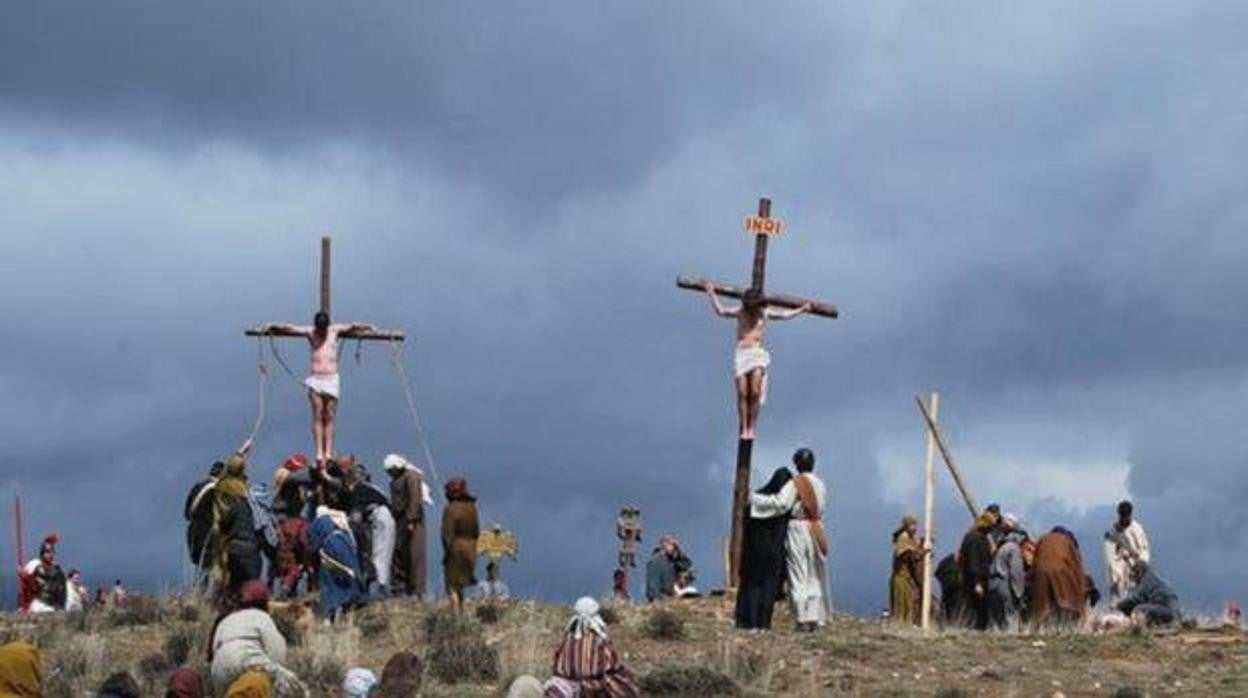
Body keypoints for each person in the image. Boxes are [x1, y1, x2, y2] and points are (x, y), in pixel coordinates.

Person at [257, 314, 377, 466]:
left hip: (332, 379)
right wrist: (272, 324)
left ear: (326, 326)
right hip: (316, 380)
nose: (321, 332)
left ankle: (328, 451)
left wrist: (368, 326)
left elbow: (353, 324)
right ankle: (320, 451)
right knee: (318, 414)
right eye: (319, 329)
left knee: (330, 415)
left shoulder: (334, 330)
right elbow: (290, 327)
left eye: (323, 329)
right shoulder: (310, 331)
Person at [703, 286, 811, 440]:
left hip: (757, 354)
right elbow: (721, 311)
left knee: (754, 391)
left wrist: (801, 310)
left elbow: (783, 315)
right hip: (742, 354)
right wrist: (711, 294)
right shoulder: (741, 312)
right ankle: (744, 427)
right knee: (742, 393)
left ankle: (752, 427)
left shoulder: (764, 313)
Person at [750, 447, 831, 631]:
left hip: (798, 527)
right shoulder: (821, 484)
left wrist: (755, 499)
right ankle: (815, 619)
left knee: (798, 573)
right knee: (814, 575)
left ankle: (802, 619)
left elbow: (781, 503)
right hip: (816, 528)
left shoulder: (796, 483)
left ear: (797, 464)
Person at [209, 580, 304, 695]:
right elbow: (276, 652)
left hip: (218, 673)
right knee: (293, 687)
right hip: (247, 662)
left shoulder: (226, 619)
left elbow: (212, 651)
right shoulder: (261, 617)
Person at [543, 597, 640, 698]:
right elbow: (612, 664)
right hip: (594, 685)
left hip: (568, 684)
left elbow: (557, 664)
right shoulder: (599, 640)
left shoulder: (567, 638)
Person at [736, 466, 792, 629]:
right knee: (769, 588)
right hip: (774, 553)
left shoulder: (757, 499)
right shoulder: (784, 507)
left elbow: (745, 524)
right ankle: (764, 624)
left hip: (754, 552)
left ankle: (751, 622)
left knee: (753, 587)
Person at [214, 454, 263, 598]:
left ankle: (222, 605)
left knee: (227, 579)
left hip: (226, 538)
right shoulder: (246, 493)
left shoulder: (220, 486)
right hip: (248, 543)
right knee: (248, 587)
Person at [383, 454, 431, 599]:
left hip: (412, 522)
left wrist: (411, 519)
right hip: (400, 521)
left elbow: (415, 499)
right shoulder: (397, 480)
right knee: (399, 555)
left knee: (414, 556)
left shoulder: (411, 477)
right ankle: (400, 590)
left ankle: (417, 592)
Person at [345, 463, 396, 596]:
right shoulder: (374, 488)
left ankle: (380, 587)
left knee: (380, 552)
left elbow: (355, 518)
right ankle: (378, 584)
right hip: (382, 517)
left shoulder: (359, 490)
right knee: (379, 552)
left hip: (379, 517)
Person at [310, 507, 367, 620]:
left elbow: (314, 545)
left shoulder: (318, 522)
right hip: (346, 547)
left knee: (328, 580)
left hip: (330, 548)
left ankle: (330, 614)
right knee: (350, 575)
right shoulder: (340, 519)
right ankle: (353, 604)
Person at [1030, 526, 1091, 630]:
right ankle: (1066, 627)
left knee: (1043, 603)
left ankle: (1040, 629)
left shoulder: (1043, 538)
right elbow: (1078, 569)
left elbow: (1034, 559)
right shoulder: (1067, 542)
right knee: (1066, 597)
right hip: (1061, 571)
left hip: (1039, 571)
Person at [441, 476, 480, 612]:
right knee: (461, 585)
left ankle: (455, 617)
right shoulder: (472, 508)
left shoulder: (450, 509)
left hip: (456, 549)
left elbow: (447, 534)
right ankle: (462, 612)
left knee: (451, 585)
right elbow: (476, 530)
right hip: (471, 548)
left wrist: (447, 553)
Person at [1104, 500, 1151, 606]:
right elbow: (1111, 556)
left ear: (1130, 515)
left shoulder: (1137, 529)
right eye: (1122, 516)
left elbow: (1144, 550)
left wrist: (1140, 563)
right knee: (1118, 590)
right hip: (1120, 567)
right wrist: (1115, 577)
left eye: (1126, 516)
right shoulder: (1113, 532)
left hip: (1136, 566)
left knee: (1138, 594)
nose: (1124, 518)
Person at [987, 514, 1028, 630]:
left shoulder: (1000, 547)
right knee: (1010, 619)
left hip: (992, 584)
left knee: (996, 622)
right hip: (1004, 586)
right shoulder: (1014, 548)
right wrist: (1019, 593)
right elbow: (1016, 573)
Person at [957, 511, 997, 630]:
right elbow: (973, 562)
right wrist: (977, 583)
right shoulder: (976, 538)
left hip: (973, 579)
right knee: (977, 610)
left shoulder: (973, 536)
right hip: (975, 581)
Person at [187, 460, 225, 572]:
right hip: (209, 532)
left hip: (193, 531)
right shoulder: (217, 490)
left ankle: (198, 588)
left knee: (200, 565)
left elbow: (186, 514)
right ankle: (203, 589)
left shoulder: (196, 487)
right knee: (209, 566)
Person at [1116, 560, 1180, 627]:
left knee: (1138, 610)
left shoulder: (1146, 579)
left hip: (1166, 610)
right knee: (1143, 608)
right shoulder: (1153, 578)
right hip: (1173, 612)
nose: (1134, 581)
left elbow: (1136, 598)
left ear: (1139, 573)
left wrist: (1118, 605)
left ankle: (1135, 630)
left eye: (1134, 576)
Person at [889, 514, 924, 626]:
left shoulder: (911, 539)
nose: (915, 528)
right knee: (901, 607)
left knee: (910, 606)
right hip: (901, 579)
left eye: (915, 525)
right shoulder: (903, 538)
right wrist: (922, 553)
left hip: (909, 580)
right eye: (912, 525)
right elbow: (908, 556)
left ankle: (906, 626)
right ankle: (900, 628)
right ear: (907, 526)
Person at [20, 534, 67, 614]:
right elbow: (27, 587)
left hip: (53, 604)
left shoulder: (57, 570)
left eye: (52, 552)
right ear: (42, 553)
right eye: (48, 552)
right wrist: (24, 576)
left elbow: (62, 590)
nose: (50, 554)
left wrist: (60, 606)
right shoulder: (34, 565)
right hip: (38, 603)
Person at [644, 535, 693, 602]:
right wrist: (655, 598)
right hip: (661, 597)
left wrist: (679, 553)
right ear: (664, 545)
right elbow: (653, 582)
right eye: (672, 545)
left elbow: (687, 564)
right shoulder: (656, 561)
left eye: (675, 546)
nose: (674, 548)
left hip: (671, 596)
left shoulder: (672, 562)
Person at [934, 553, 962, 625]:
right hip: (948, 588)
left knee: (956, 608)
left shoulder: (963, 562)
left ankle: (953, 624)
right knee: (946, 607)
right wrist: (944, 581)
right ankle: (944, 624)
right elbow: (937, 573)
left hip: (957, 590)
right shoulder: (946, 561)